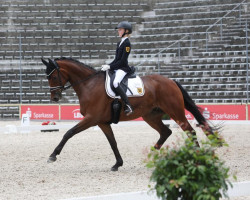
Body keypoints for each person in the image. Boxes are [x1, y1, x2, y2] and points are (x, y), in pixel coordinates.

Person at [101, 21, 133, 116]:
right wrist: (108, 65)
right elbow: (116, 60)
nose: (118, 31)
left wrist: (110, 66)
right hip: (117, 67)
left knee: (115, 82)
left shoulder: (127, 43)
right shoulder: (119, 43)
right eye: (118, 30)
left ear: (126, 31)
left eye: (120, 30)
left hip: (123, 68)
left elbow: (122, 61)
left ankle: (128, 105)